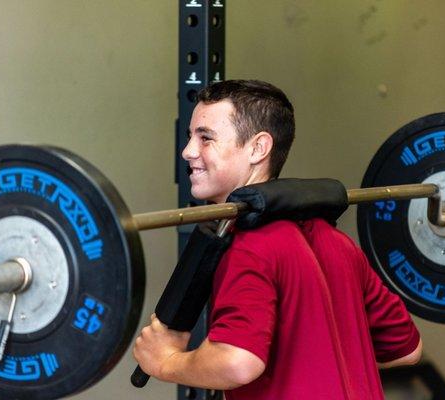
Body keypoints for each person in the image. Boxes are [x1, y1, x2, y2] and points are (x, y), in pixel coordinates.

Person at [133, 79, 422, 399]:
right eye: (190, 137)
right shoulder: (338, 243)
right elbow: (406, 349)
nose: (188, 151)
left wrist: (167, 362)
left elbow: (238, 362)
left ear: (258, 148)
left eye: (206, 138)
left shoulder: (252, 246)